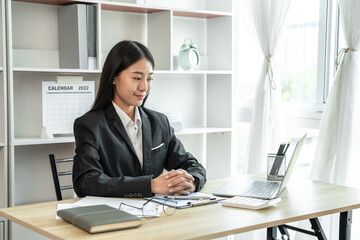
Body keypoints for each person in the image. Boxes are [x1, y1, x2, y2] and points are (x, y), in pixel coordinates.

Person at [72, 40, 206, 198]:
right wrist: (151, 185)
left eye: (149, 79)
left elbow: (192, 166)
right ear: (114, 78)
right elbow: (86, 182)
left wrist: (191, 182)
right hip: (113, 216)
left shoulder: (159, 122)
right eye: (137, 78)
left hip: (156, 213)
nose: (144, 87)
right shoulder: (90, 125)